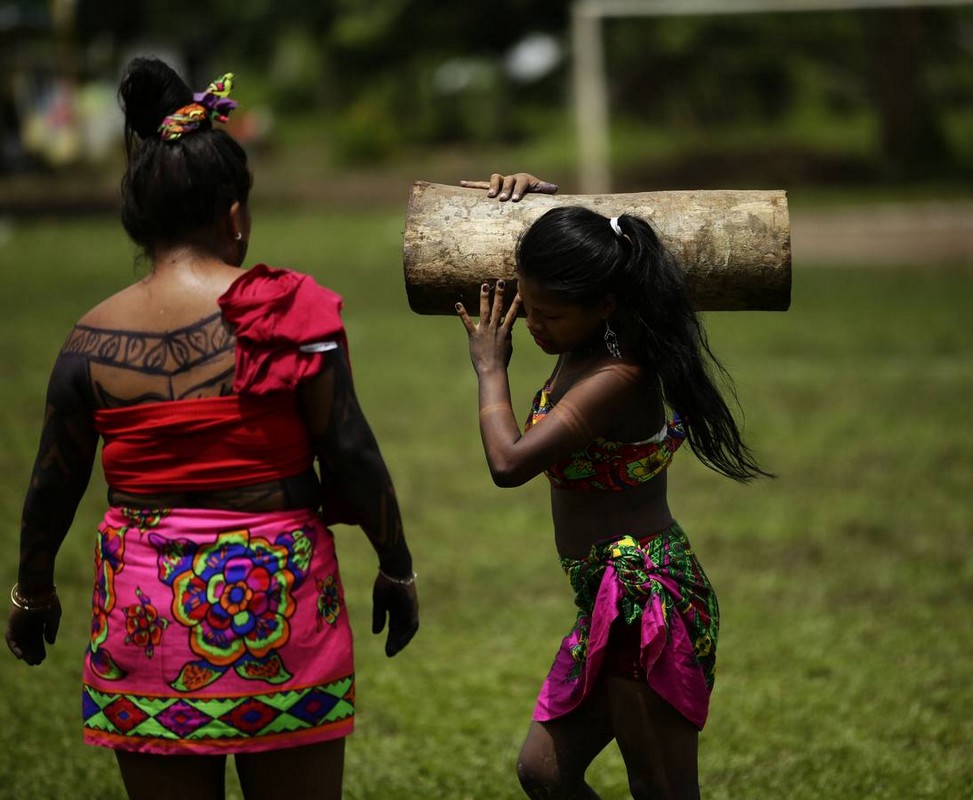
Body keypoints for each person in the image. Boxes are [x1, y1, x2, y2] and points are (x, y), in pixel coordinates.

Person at [3, 56, 550, 800]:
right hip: (278, 608)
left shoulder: (88, 342)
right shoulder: (289, 316)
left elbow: (51, 486)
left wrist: (34, 593)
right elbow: (350, 450)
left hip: (146, 622)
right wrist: (396, 565)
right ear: (235, 216)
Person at [455, 205, 771, 799]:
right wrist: (527, 197)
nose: (535, 326)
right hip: (606, 599)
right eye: (530, 309)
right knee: (544, 772)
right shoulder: (582, 341)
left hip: (646, 599)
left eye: (551, 315)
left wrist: (490, 369)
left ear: (604, 305)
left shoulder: (619, 375)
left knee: (660, 787)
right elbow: (596, 232)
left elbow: (510, 463)